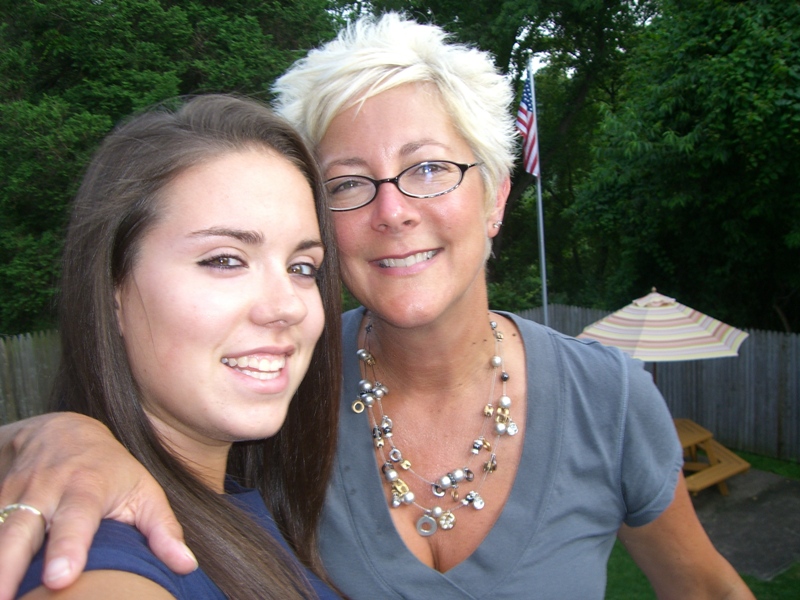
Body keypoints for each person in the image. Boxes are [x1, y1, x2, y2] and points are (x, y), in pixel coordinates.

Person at [0, 13, 753, 600]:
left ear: (493, 198)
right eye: (349, 183)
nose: (391, 210)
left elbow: (704, 585)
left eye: (428, 168)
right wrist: (71, 437)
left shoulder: (607, 397)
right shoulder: (277, 389)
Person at [9, 94, 342, 599]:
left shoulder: (239, 504)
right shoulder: (97, 557)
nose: (288, 306)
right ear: (113, 292)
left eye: (302, 268)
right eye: (225, 260)